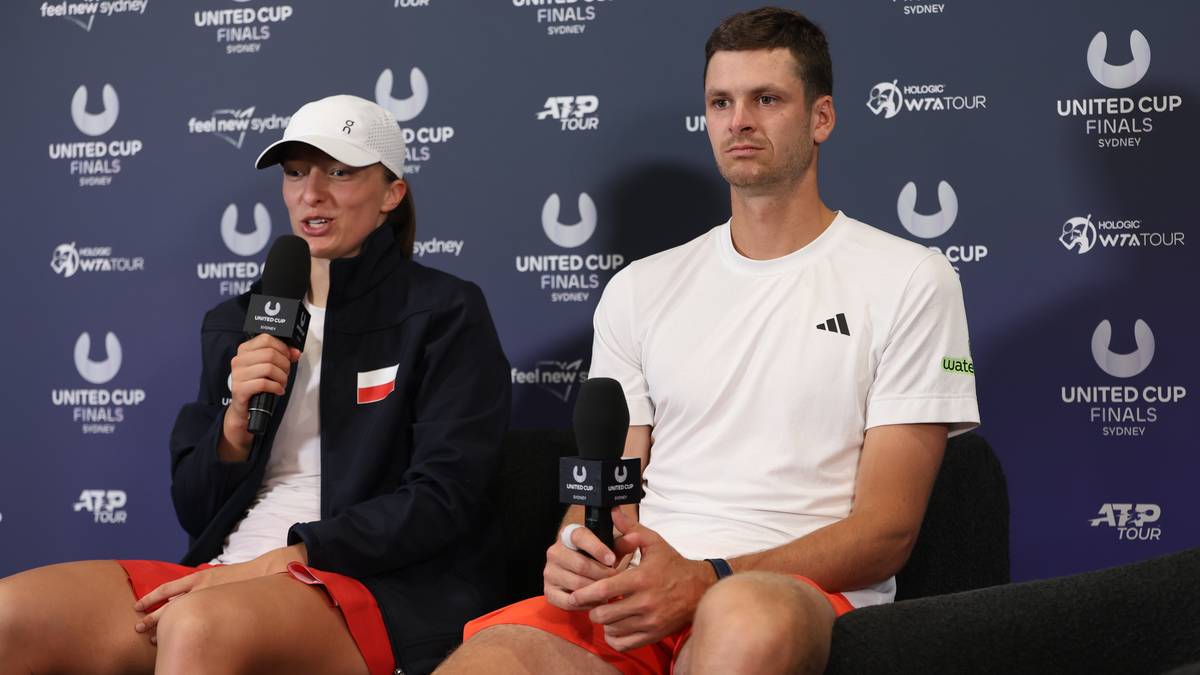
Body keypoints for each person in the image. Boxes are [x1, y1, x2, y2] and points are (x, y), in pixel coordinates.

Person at [438, 7, 979, 675]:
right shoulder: (641, 287)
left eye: (767, 99)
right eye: (721, 101)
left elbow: (886, 531)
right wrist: (576, 546)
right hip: (640, 593)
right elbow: (607, 490)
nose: (739, 120)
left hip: (794, 594)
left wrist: (707, 576)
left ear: (822, 118)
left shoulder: (910, 278)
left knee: (740, 617)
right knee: (488, 660)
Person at [0, 95, 511, 675]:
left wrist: (292, 556)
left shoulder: (443, 311)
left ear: (392, 193)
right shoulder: (237, 321)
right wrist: (234, 426)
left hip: (373, 582)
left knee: (197, 627)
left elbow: (445, 497)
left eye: (339, 172)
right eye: (295, 173)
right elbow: (195, 510)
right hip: (227, 568)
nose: (310, 193)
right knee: (10, 613)